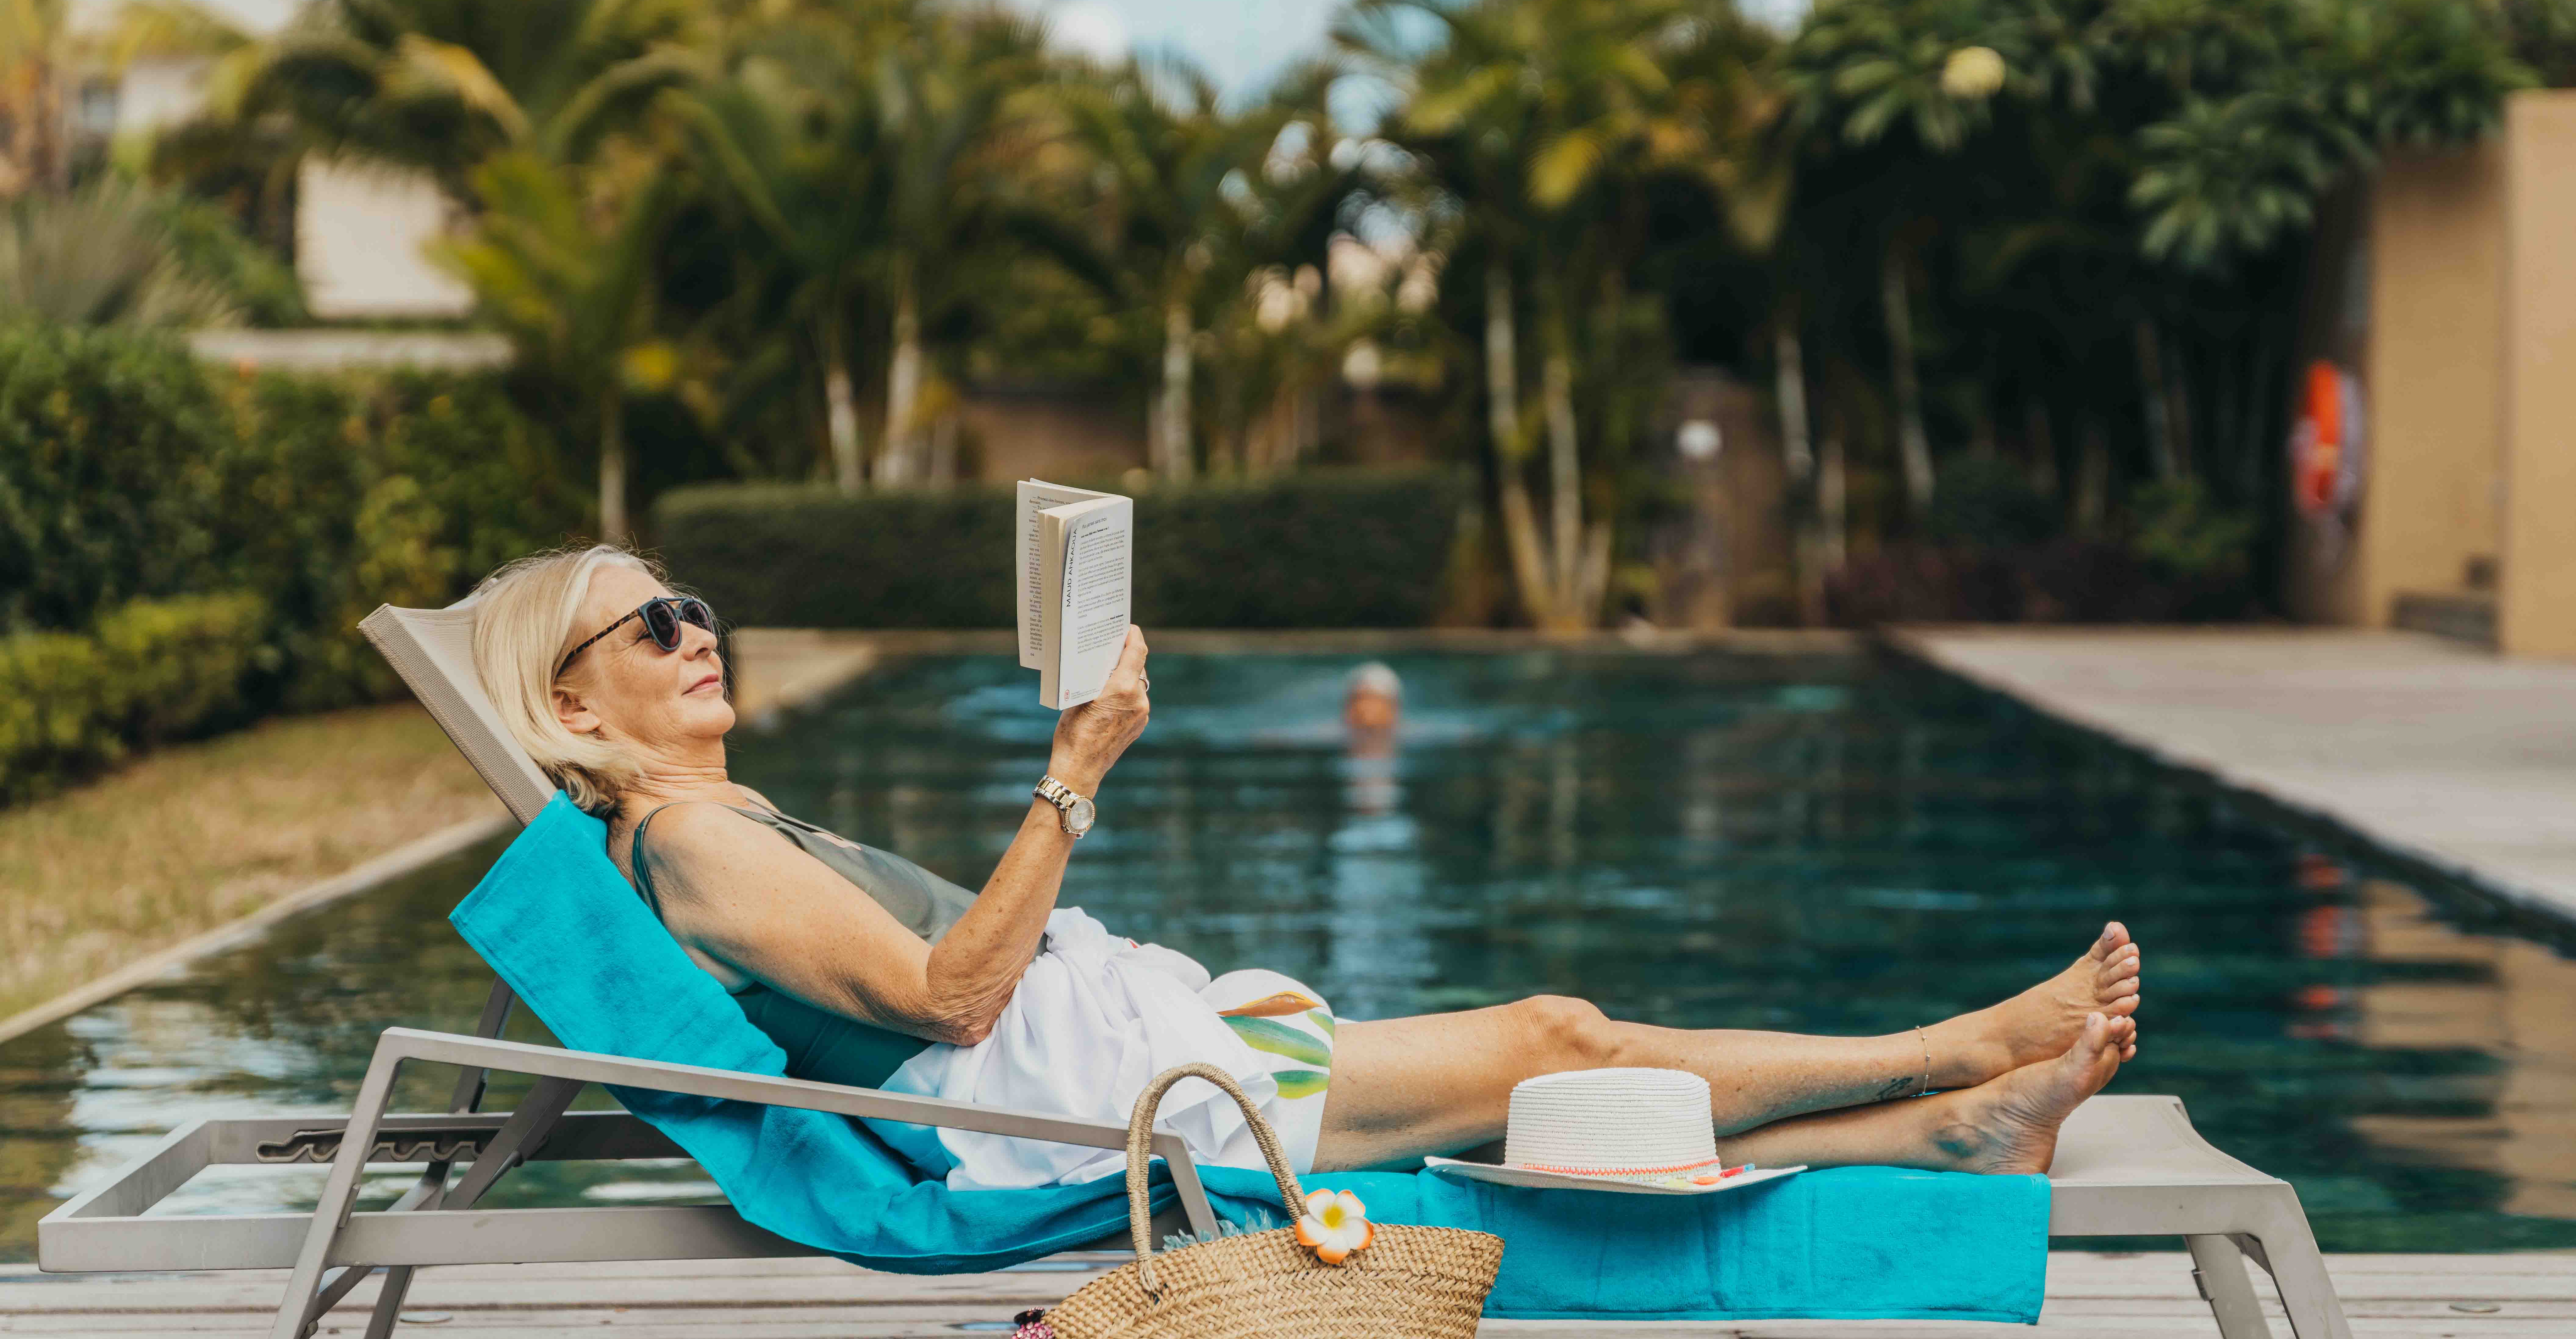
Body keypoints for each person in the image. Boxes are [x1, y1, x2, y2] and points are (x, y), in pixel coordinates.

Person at [466, 545, 2140, 1188]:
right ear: (569, 698)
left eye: (694, 608)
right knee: (1557, 1042)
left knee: (1547, 1075)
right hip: (1083, 1112)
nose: (696, 632)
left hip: (1106, 1066)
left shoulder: (716, 819)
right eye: (650, 624)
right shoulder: (687, 835)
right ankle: (1968, 1056)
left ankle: (1947, 1129)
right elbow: (953, 1001)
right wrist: (1073, 777)